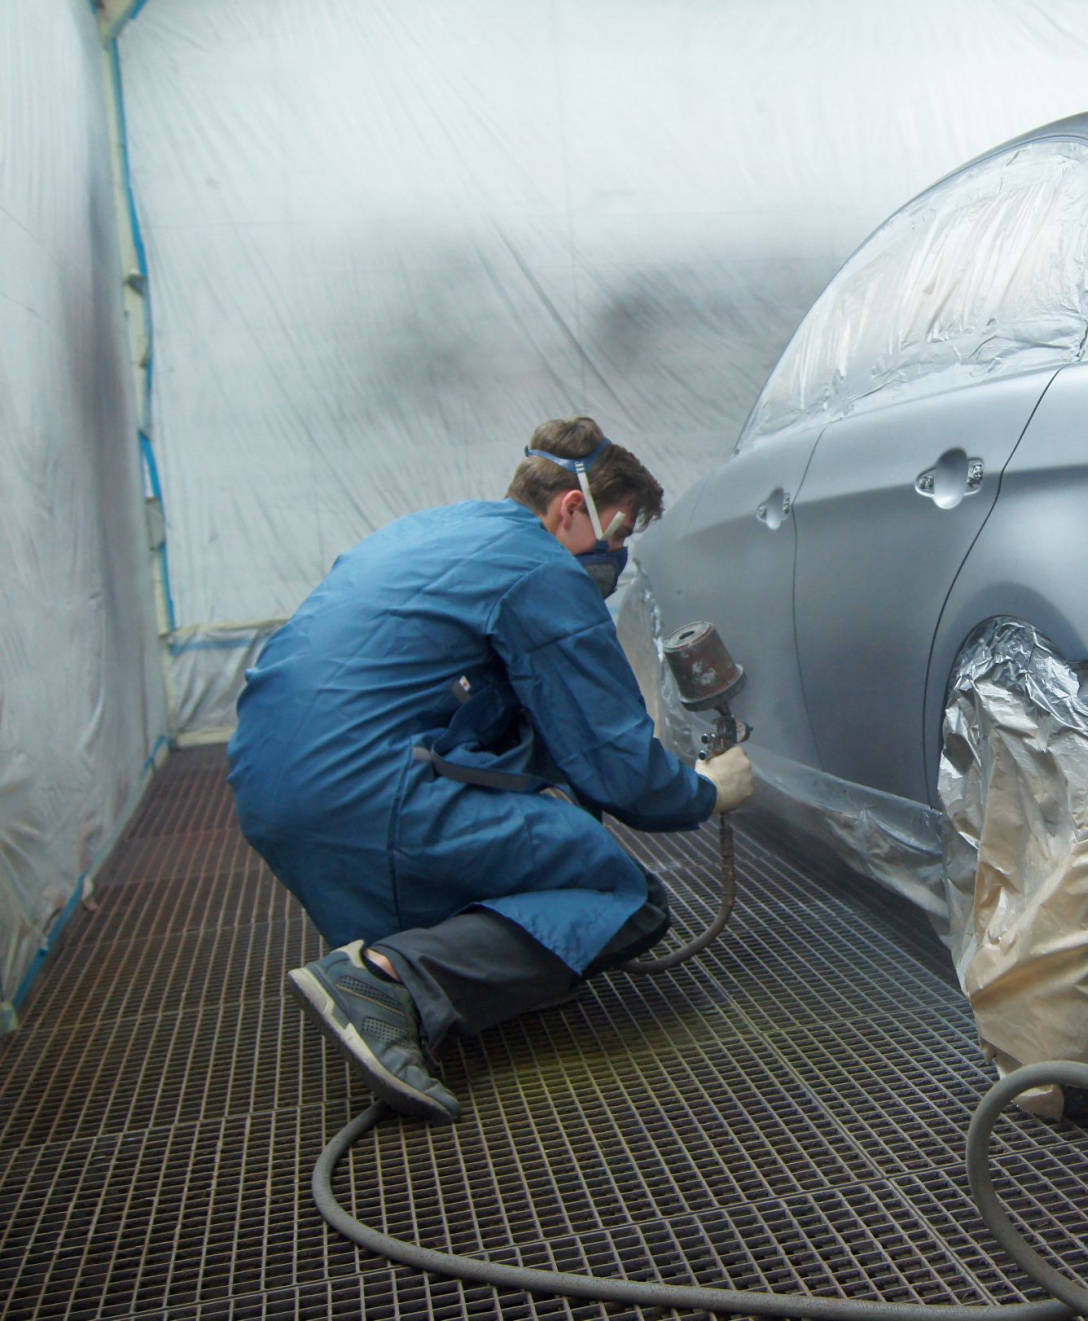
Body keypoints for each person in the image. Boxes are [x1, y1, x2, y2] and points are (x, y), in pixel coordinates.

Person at [228, 417, 752, 1123]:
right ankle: (389, 982)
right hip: (363, 797)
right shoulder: (541, 570)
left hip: (273, 786)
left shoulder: (438, 532)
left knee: (546, 841)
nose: (618, 555)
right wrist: (706, 789)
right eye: (619, 532)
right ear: (570, 509)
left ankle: (407, 963)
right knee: (625, 898)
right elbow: (616, 763)